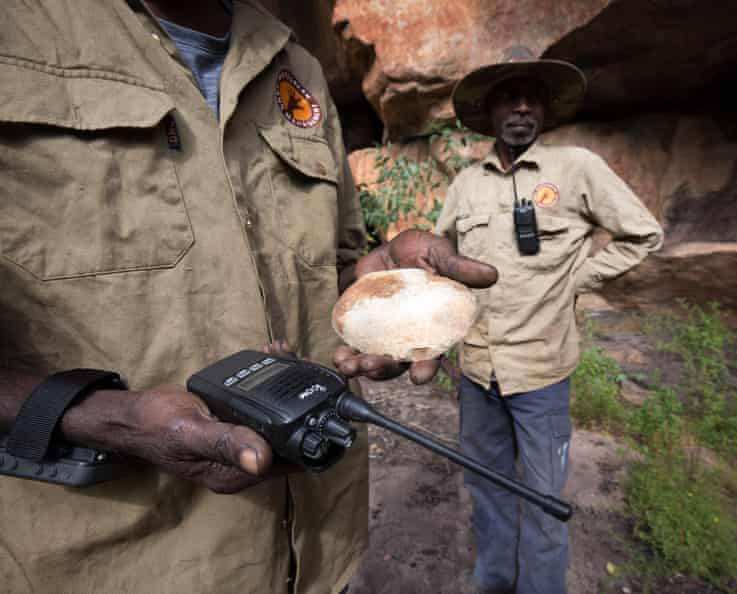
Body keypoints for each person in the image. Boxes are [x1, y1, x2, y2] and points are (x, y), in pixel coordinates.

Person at [0, 2, 495, 593]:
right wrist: (110, 418)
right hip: (120, 565)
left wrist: (378, 283)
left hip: (317, 547)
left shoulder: (299, 66)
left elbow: (332, 266)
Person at [434, 46, 664, 594]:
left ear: (544, 110)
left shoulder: (577, 168)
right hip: (477, 371)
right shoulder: (467, 183)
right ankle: (494, 581)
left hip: (541, 371)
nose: (520, 108)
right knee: (488, 488)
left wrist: (578, 279)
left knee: (541, 501)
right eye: (508, 98)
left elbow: (642, 233)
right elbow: (441, 256)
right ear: (489, 112)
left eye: (532, 98)